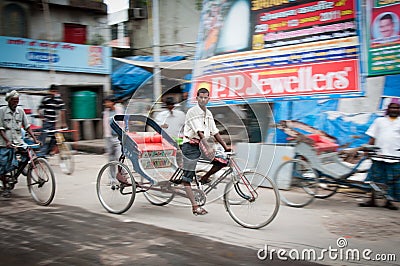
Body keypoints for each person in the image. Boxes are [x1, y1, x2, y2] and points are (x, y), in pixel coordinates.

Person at [180, 87, 231, 215]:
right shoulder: (192, 111)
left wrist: (225, 147)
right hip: (190, 145)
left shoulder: (208, 113)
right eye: (200, 97)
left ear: (208, 99)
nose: (203, 99)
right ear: (197, 98)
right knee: (187, 178)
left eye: (205, 97)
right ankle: (195, 206)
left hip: (203, 145)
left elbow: (215, 132)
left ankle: (204, 177)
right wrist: (207, 146)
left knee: (222, 161)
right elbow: (199, 132)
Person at [359, 98, 400, 210]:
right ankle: (372, 200)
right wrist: (368, 149)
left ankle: (389, 201)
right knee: (374, 179)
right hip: (379, 154)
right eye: (392, 107)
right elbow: (373, 136)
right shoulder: (379, 121)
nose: (394, 110)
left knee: (391, 180)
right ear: (388, 109)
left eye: (396, 108)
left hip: (395, 156)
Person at [0, 90, 39, 197]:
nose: (15, 103)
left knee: (28, 155)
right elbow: (1, 128)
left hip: (18, 141)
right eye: (13, 101)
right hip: (4, 143)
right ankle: (5, 186)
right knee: (2, 166)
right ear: (9, 101)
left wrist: (34, 138)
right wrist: (7, 141)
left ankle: (18, 172)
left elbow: (27, 126)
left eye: (17, 101)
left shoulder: (20, 111)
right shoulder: (2, 111)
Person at [37, 85, 67, 157]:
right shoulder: (46, 99)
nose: (54, 93)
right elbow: (39, 109)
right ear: (49, 91)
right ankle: (41, 154)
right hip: (47, 121)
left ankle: (49, 151)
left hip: (54, 122)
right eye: (52, 91)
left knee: (55, 137)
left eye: (55, 91)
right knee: (44, 138)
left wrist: (63, 123)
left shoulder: (58, 100)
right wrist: (42, 118)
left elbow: (62, 111)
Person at [103, 95, 125, 164]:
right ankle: (112, 175)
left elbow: (123, 123)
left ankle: (122, 173)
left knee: (119, 156)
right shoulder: (106, 112)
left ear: (112, 102)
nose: (106, 104)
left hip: (118, 137)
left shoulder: (119, 110)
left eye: (107, 102)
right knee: (111, 158)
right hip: (109, 137)